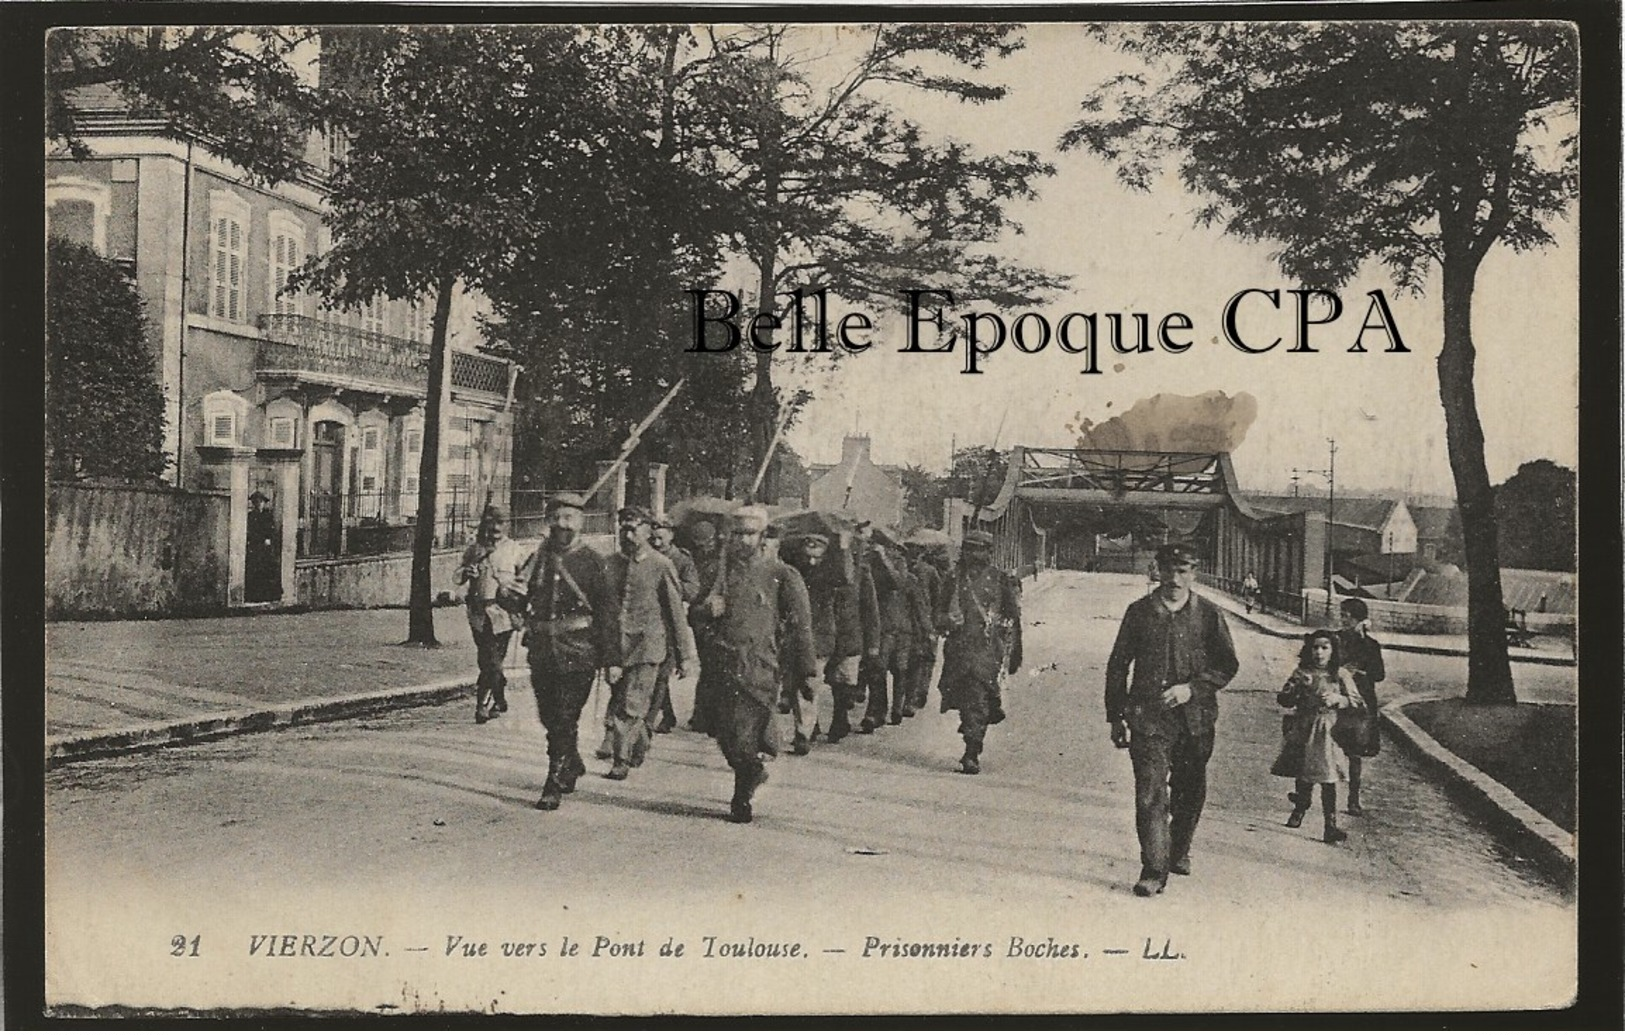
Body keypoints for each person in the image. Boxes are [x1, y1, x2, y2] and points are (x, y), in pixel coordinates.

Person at [1105, 542, 1239, 897]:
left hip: (1195, 719)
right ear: (1157, 571)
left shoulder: (1209, 615)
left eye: (1183, 571)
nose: (1175, 579)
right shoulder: (1138, 612)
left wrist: (1193, 688)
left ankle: (1179, 849)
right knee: (1150, 793)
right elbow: (1118, 665)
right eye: (1169, 570)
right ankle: (1153, 869)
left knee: (1189, 791)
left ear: (1194, 573)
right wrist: (1115, 717)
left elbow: (1227, 665)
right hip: (1148, 719)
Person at [704, 506, 815, 823]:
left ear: (763, 536)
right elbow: (695, 615)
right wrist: (706, 609)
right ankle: (751, 770)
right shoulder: (718, 572)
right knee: (724, 736)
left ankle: (742, 794)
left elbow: (801, 625)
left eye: (749, 533)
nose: (742, 540)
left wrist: (806, 672)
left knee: (742, 738)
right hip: (720, 666)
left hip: (760, 666)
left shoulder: (782, 575)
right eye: (737, 533)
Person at [522, 493, 612, 812]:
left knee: (563, 715)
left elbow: (607, 613)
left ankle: (553, 780)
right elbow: (522, 596)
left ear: (581, 523)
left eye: (569, 519)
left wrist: (610, 659)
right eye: (557, 518)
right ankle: (571, 760)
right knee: (549, 716)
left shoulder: (593, 561)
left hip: (579, 652)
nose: (563, 525)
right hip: (543, 650)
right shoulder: (539, 557)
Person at [601, 506, 697, 781]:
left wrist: (684, 656)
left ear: (647, 530)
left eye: (633, 528)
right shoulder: (611, 564)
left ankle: (620, 760)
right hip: (617, 648)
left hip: (648, 647)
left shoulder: (661, 565)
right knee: (622, 699)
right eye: (623, 528)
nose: (628, 535)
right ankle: (640, 740)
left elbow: (675, 613)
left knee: (631, 704)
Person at [937, 530, 1022, 774]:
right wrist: (947, 620)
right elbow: (937, 614)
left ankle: (972, 751)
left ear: (989, 553)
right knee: (966, 700)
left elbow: (1013, 617)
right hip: (958, 650)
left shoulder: (999, 580)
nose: (976, 554)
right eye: (971, 549)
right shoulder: (953, 579)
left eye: (981, 550)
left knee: (978, 698)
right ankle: (972, 739)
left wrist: (1015, 651)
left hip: (987, 649)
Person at [1272, 630, 1365, 843]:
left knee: (1328, 777)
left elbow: (1358, 703)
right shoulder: (1301, 672)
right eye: (1315, 647)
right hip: (1303, 727)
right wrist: (1295, 689)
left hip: (1328, 731)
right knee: (1303, 772)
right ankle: (1300, 807)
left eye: (1325, 648)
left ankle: (1330, 825)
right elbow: (1284, 699)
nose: (1319, 653)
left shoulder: (1340, 675)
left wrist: (1338, 699)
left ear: (1333, 651)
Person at [785, 532, 863, 751]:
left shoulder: (831, 575)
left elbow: (847, 576)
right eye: (807, 555)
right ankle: (806, 729)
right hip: (796, 636)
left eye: (816, 556)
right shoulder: (793, 572)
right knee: (798, 685)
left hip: (820, 638)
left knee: (809, 684)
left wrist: (846, 546)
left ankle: (805, 731)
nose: (811, 561)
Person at [456, 503, 530, 723]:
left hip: (503, 614)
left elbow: (525, 581)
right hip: (478, 612)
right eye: (491, 522)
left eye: (501, 522)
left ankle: (482, 705)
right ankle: (499, 697)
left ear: (507, 525)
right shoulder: (475, 548)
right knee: (486, 660)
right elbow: (457, 576)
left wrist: (513, 592)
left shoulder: (516, 550)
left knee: (493, 661)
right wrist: (467, 571)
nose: (496, 527)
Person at [648, 516, 701, 735]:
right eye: (654, 538)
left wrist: (669, 587)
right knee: (653, 670)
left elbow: (692, 589)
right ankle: (667, 714)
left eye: (661, 537)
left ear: (671, 535)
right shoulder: (646, 556)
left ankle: (657, 717)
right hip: (649, 619)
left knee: (662, 671)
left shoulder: (682, 560)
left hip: (670, 620)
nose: (657, 542)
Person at [1334, 598, 1386, 816]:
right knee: (1321, 742)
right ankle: (1305, 794)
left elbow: (1379, 675)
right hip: (1336, 698)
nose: (1343, 619)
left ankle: (1353, 799)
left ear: (1358, 619)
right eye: (1342, 614)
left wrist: (1359, 672)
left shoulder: (1370, 645)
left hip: (1359, 703)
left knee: (1354, 752)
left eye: (1346, 615)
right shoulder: (1334, 639)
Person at [685, 520, 725, 735]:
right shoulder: (697, 561)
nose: (705, 547)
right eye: (701, 543)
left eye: (707, 542)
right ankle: (704, 717)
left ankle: (704, 716)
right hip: (702, 617)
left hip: (713, 617)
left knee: (711, 668)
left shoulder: (720, 561)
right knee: (710, 667)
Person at [902, 542, 944, 715]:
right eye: (909, 550)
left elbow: (938, 600)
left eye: (916, 551)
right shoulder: (902, 571)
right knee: (908, 661)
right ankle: (909, 697)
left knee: (923, 660)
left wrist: (934, 625)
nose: (912, 555)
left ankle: (916, 696)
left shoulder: (929, 571)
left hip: (925, 623)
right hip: (907, 621)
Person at [245, 490, 283, 603]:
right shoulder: (250, 516)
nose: (258, 504)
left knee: (267, 570)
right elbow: (249, 530)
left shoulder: (267, 516)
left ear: (263, 503)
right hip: (254, 546)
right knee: (254, 570)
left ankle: (269, 596)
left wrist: (268, 539)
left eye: (260, 502)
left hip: (265, 547)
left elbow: (271, 530)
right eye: (255, 502)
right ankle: (254, 596)